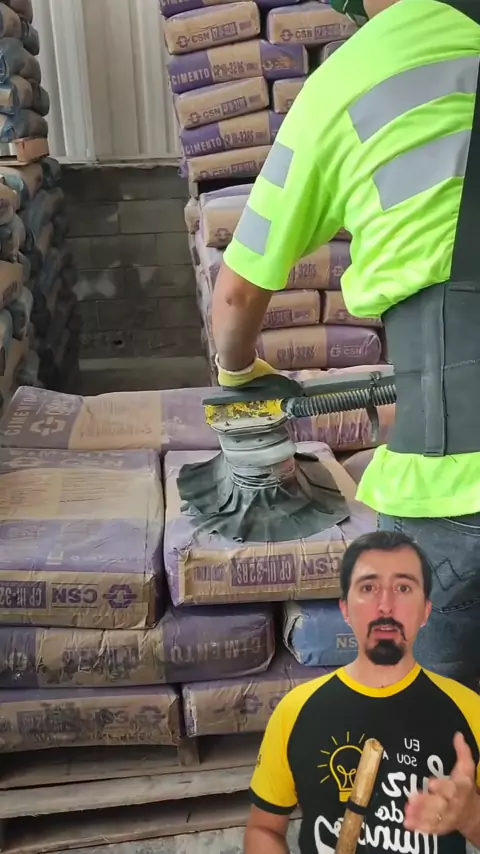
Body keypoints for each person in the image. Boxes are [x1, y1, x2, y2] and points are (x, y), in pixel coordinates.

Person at [210, 0, 480, 688]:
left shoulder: (354, 76)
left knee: (439, 731)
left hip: (451, 491)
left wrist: (239, 374)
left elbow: (237, 295)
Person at [244, 530, 480, 854]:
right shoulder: (296, 711)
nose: (386, 606)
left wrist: (471, 817)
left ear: (426, 611)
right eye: (368, 588)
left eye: (403, 588)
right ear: (345, 609)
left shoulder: (469, 711)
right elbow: (264, 828)